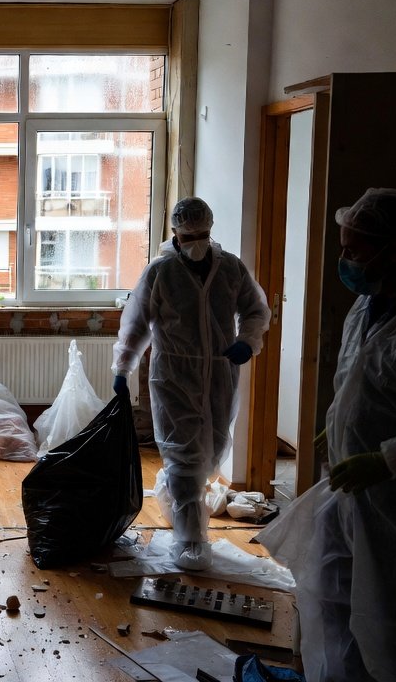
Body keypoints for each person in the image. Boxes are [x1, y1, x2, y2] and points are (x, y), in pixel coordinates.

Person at [295, 188, 396, 681]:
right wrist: (340, 421)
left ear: (394, 249)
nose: (344, 262)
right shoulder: (368, 302)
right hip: (349, 491)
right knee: (333, 601)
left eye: (353, 250)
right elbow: (360, 378)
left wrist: (388, 460)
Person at [111, 196, 270, 570]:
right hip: (174, 375)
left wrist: (248, 340)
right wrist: (123, 368)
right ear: (175, 233)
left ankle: (176, 493)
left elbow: (255, 309)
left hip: (220, 374)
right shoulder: (161, 272)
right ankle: (191, 540)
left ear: (210, 231)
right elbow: (136, 324)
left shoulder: (230, 268)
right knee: (183, 456)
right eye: (188, 236)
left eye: (201, 235)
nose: (195, 242)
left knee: (211, 451)